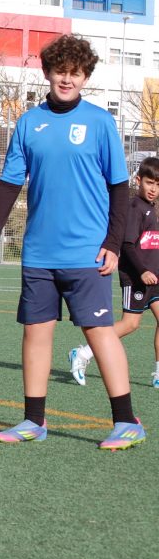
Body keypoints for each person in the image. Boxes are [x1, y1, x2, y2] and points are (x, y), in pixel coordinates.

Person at [0, 33, 145, 450]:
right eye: (59, 71)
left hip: (87, 252)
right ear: (47, 73)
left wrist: (113, 242)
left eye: (75, 73)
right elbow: (10, 182)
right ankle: (33, 420)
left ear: (85, 77)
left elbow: (119, 188)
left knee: (99, 332)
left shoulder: (100, 122)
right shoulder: (29, 123)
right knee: (36, 333)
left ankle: (127, 421)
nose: (66, 79)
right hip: (39, 252)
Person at [69, 156, 159, 389]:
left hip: (154, 277)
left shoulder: (151, 209)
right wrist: (142, 271)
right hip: (137, 278)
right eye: (149, 183)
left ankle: (158, 373)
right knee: (130, 324)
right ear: (138, 181)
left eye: (158, 185)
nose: (153, 189)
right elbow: (127, 245)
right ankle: (83, 353)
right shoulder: (135, 208)